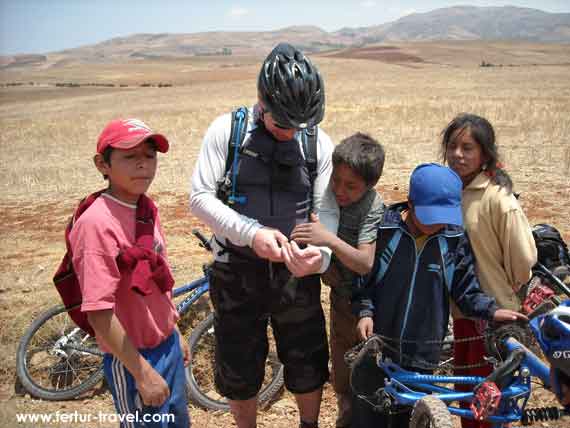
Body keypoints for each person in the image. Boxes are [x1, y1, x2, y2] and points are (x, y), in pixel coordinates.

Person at [189, 43, 338, 428]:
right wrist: (250, 233)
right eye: (281, 123)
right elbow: (200, 197)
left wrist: (318, 260)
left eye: (299, 125)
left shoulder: (318, 142)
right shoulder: (227, 131)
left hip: (295, 271)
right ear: (261, 101)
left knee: (307, 359)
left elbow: (327, 213)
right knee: (239, 364)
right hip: (236, 269)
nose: (290, 133)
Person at [351, 163, 527, 428]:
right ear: (410, 203)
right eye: (430, 216)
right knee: (370, 415)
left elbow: (466, 291)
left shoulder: (453, 239)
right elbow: (363, 280)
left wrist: (492, 311)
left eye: (444, 216)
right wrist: (365, 312)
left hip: (423, 352)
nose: (437, 224)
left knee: (412, 415)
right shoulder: (384, 231)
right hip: (378, 347)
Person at [69, 119, 191, 427]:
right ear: (103, 164)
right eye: (129, 156)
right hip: (133, 358)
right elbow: (99, 312)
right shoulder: (96, 224)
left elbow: (155, 281)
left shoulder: (146, 209)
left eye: (149, 155)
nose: (143, 165)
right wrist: (142, 372)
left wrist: (174, 332)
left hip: (167, 347)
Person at [441, 113, 537, 428]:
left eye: (468, 148)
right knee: (467, 397)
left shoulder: (498, 198)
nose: (458, 154)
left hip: (496, 318)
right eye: (453, 146)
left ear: (485, 153)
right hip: (463, 314)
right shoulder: (450, 190)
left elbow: (523, 259)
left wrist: (505, 292)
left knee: (489, 403)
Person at [290, 132, 385, 428]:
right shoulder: (325, 192)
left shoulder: (372, 206)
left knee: (367, 383)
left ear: (370, 185)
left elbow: (364, 263)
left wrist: (327, 239)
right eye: (337, 181)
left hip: (366, 307)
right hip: (339, 302)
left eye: (351, 186)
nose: (340, 191)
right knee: (343, 381)